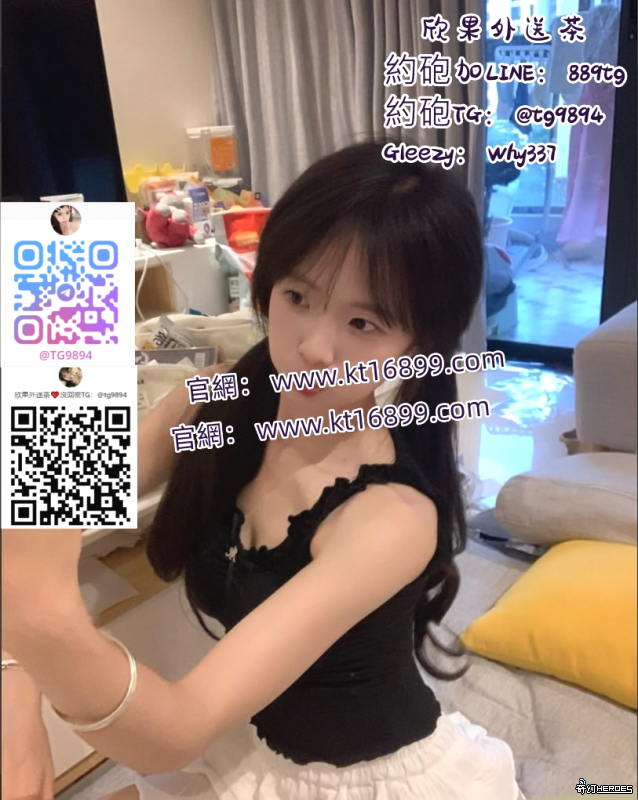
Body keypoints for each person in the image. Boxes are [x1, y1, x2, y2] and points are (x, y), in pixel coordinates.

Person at [2, 143, 525, 800]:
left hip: (359, 782)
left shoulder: (391, 520)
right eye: (297, 296)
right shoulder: (215, 402)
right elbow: (43, 500)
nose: (314, 348)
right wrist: (16, 690)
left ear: (417, 346)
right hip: (251, 740)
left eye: (363, 322)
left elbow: (178, 730)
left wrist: (42, 622)